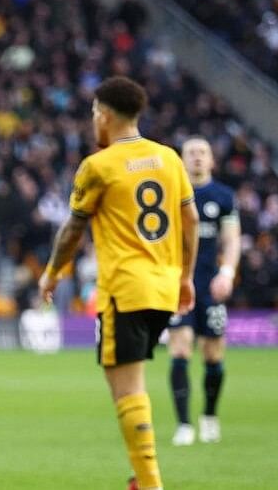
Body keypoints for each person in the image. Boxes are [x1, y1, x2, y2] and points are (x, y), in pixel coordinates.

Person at [39, 76, 198, 490]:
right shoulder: (169, 158)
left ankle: (149, 483)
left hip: (124, 289)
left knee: (126, 391)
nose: (93, 121)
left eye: (94, 113)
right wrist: (186, 277)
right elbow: (191, 221)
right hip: (164, 289)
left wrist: (52, 272)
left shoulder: (99, 166)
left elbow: (73, 229)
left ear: (105, 116)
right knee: (134, 386)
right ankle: (141, 479)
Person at [168, 137, 239, 446]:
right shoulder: (170, 194)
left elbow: (232, 240)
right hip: (176, 286)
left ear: (212, 160)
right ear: (182, 161)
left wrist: (227, 272)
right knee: (180, 349)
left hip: (211, 286)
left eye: (202, 152)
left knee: (213, 354)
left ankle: (209, 415)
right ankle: (184, 424)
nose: (197, 157)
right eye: (191, 153)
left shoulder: (223, 196)